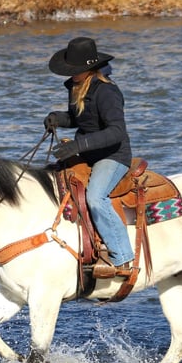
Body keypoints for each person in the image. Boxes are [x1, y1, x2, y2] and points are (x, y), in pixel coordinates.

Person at [43, 36, 135, 278]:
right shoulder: (77, 86)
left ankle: (123, 257)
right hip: (87, 151)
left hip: (113, 155)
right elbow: (81, 118)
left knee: (95, 198)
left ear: (88, 69)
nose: (71, 74)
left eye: (74, 70)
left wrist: (77, 146)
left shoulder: (107, 92)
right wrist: (58, 119)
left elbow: (117, 131)